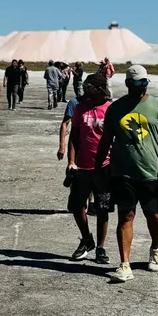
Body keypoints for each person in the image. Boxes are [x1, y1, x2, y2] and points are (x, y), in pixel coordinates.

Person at [94, 65, 158, 282]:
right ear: (128, 83)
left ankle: (156, 248)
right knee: (126, 216)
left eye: (145, 82)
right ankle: (124, 264)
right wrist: (98, 168)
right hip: (123, 173)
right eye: (138, 83)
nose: (142, 86)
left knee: (154, 215)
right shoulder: (115, 109)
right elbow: (105, 141)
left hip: (151, 173)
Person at [66, 74, 112, 264]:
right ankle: (86, 239)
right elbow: (74, 136)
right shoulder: (80, 108)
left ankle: (100, 247)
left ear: (100, 89)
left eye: (90, 89)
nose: (86, 92)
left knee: (102, 209)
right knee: (76, 206)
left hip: (105, 167)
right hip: (82, 166)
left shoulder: (110, 109)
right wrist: (71, 161)